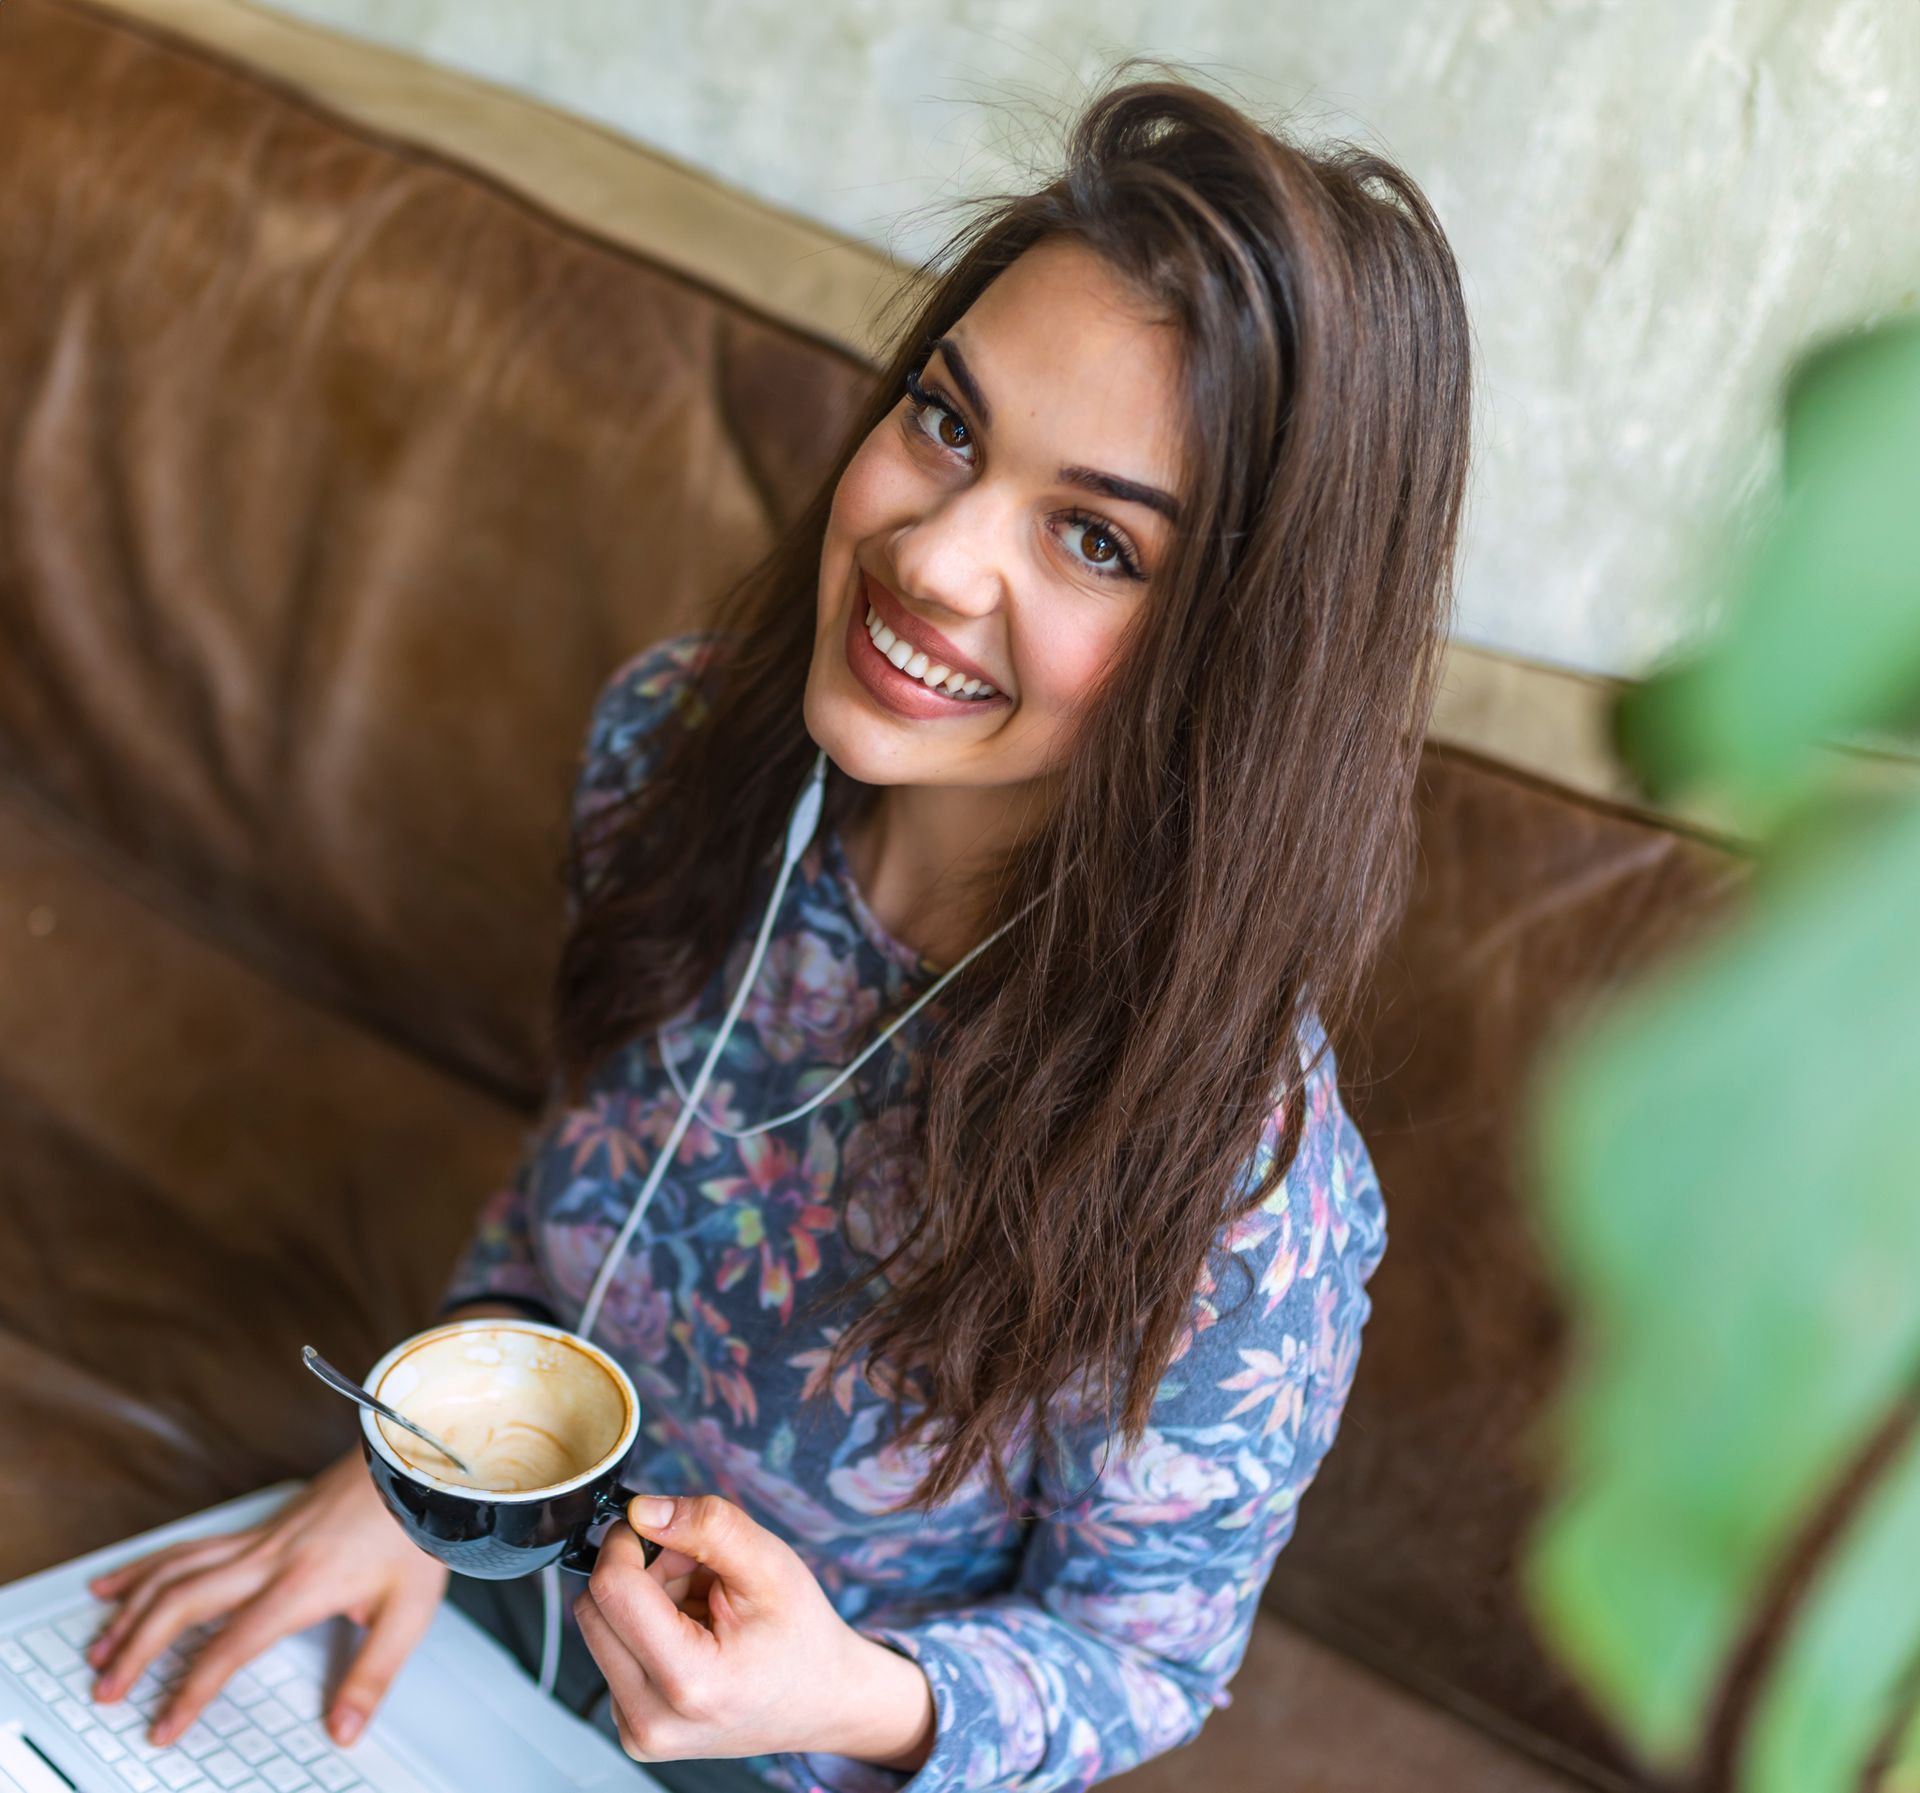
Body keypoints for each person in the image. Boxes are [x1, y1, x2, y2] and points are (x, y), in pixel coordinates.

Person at [81, 70, 1471, 1793]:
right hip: (472, 1605)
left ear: (1238, 667)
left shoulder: (1239, 1191)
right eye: (949, 422)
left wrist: (851, 1698)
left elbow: (1147, 1657)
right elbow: (570, 1205)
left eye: (1095, 537)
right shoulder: (671, 749)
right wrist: (404, 1475)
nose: (936, 554)